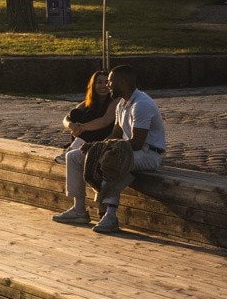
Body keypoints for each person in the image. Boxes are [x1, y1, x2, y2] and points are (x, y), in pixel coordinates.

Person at [52, 65, 166, 233]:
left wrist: (106, 150)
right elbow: (116, 134)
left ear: (123, 82)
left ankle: (110, 216)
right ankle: (79, 210)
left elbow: (137, 143)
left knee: (111, 160)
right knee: (74, 156)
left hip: (148, 154)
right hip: (126, 150)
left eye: (111, 82)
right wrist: (96, 147)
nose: (108, 85)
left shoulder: (141, 104)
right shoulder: (122, 104)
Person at [55, 71, 116, 166]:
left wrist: (82, 127)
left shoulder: (115, 101)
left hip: (105, 135)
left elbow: (105, 121)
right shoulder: (88, 101)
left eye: (106, 82)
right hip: (87, 135)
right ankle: (75, 147)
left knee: (90, 115)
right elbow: (66, 118)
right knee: (75, 113)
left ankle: (72, 149)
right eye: (99, 82)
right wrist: (72, 126)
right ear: (93, 85)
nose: (103, 86)